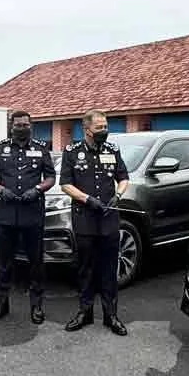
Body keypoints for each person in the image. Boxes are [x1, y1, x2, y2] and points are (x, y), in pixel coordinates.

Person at [59, 109, 130, 335]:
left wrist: (118, 195)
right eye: (99, 127)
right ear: (86, 129)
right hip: (85, 218)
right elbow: (65, 184)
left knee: (109, 269)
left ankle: (111, 315)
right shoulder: (72, 152)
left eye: (105, 127)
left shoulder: (113, 150)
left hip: (109, 218)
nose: (104, 131)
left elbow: (123, 178)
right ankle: (85, 312)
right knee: (86, 269)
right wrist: (87, 199)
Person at [0, 110, 56, 324]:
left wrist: (38, 189)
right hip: (6, 213)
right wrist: (0, 189)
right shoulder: (0, 148)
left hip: (32, 212)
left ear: (30, 126)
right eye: (18, 125)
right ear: (11, 126)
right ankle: (1, 304)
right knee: (4, 262)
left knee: (36, 262)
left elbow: (50, 177)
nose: (22, 128)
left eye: (26, 125)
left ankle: (36, 306)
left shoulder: (41, 148)